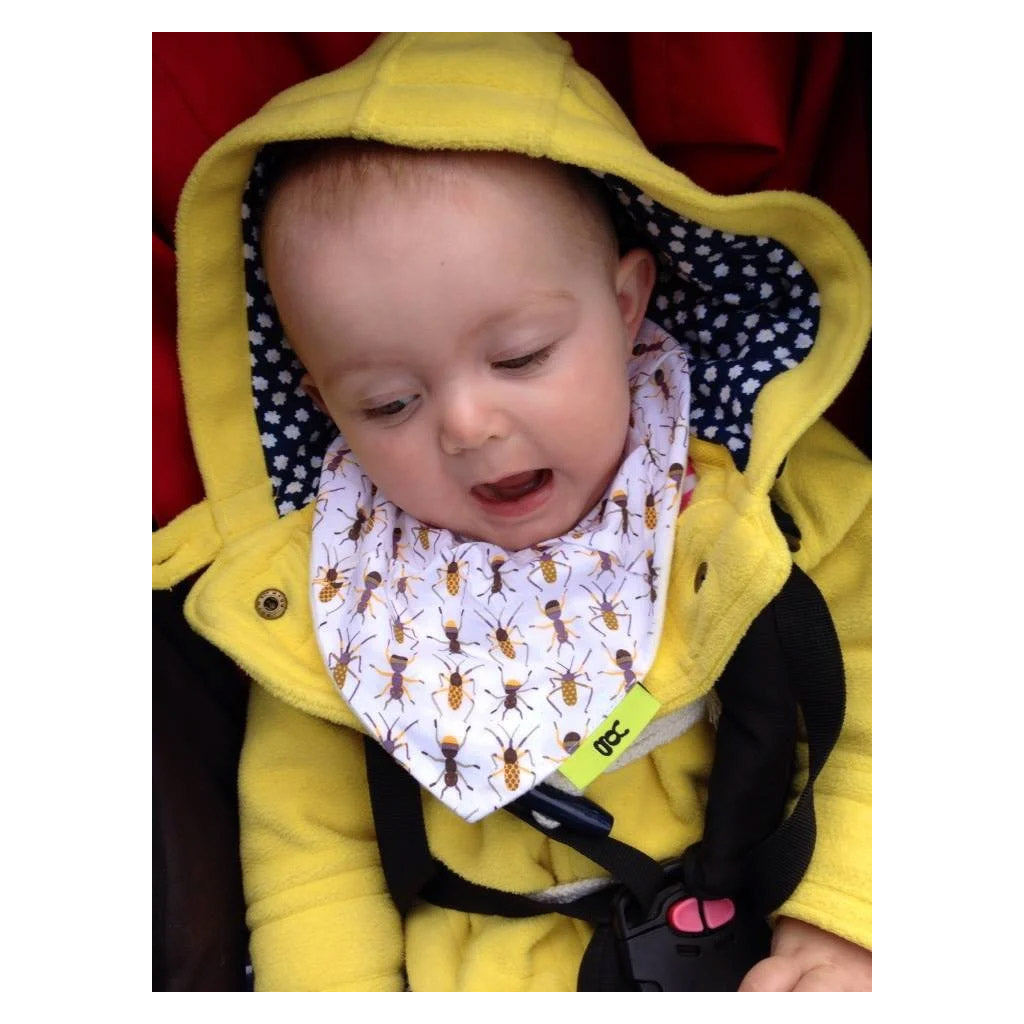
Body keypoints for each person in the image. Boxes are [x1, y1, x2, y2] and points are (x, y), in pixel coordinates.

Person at [152, 32, 871, 991]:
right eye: (388, 404)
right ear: (325, 407)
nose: (467, 425)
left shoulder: (764, 492)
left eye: (522, 355)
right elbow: (311, 864)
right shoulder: (334, 595)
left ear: (627, 304)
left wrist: (845, 924)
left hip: (772, 925)